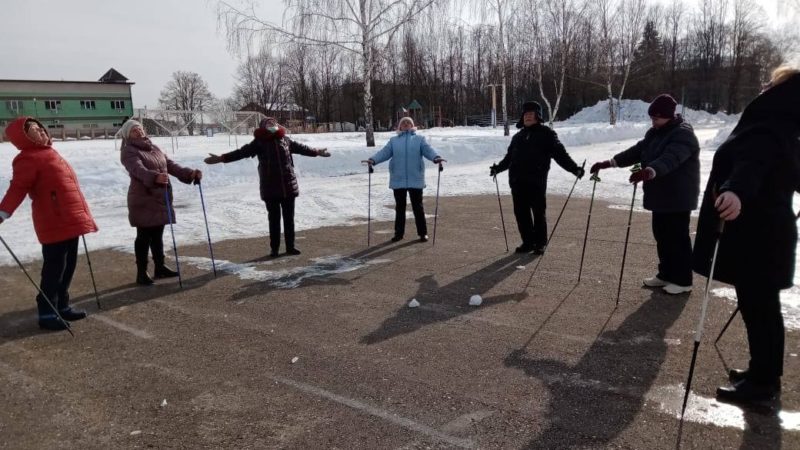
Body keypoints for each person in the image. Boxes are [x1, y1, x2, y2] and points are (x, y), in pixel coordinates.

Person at [693, 67, 800, 405]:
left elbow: (750, 165)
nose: (764, 87)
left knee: (759, 310)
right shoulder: (786, 130)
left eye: (771, 84)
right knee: (763, 310)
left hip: (757, 237)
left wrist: (735, 192)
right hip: (770, 235)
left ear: (781, 93)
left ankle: (762, 385)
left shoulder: (765, 129)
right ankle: (764, 374)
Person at [590, 94, 700, 294]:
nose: (653, 121)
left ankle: (683, 281)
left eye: (657, 118)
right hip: (660, 195)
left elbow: (671, 158)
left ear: (669, 116)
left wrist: (649, 171)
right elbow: (636, 151)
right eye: (652, 118)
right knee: (662, 236)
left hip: (677, 196)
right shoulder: (655, 133)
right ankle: (666, 274)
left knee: (677, 238)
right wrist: (610, 163)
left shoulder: (683, 134)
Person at [0, 117, 98, 330]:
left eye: (41, 127)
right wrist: (2, 212)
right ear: (23, 137)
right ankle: (46, 312)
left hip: (70, 218)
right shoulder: (26, 158)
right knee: (54, 268)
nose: (41, 131)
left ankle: (61, 305)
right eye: (34, 129)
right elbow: (17, 188)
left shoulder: (51, 153)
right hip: (53, 220)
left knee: (69, 264)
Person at [205, 117, 330, 256]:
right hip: (270, 187)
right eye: (269, 123)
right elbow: (241, 152)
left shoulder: (285, 140)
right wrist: (221, 158)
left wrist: (317, 152)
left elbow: (302, 148)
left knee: (289, 219)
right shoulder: (259, 142)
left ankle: (290, 247)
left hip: (288, 186)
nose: (272, 125)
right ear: (263, 127)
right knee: (274, 219)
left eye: (274, 123)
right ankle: (275, 249)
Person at [491, 101, 584, 254]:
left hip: (536, 181)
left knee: (538, 213)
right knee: (521, 214)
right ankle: (527, 242)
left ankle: (540, 243)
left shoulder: (547, 134)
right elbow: (509, 158)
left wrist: (574, 169)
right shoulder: (518, 137)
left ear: (537, 116)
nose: (527, 116)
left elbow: (560, 155)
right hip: (517, 181)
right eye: (525, 114)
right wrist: (497, 168)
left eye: (531, 113)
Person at [120, 120, 202, 285]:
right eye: (134, 130)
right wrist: (154, 177)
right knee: (144, 236)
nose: (139, 132)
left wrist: (190, 173)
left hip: (159, 197)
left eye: (140, 129)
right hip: (143, 198)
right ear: (128, 135)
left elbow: (170, 165)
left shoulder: (154, 148)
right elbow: (137, 169)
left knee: (157, 234)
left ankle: (160, 267)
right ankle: (141, 272)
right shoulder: (128, 151)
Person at [362, 117, 445, 242]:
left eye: (408, 123)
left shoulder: (419, 139)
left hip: (415, 178)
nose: (406, 124)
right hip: (398, 178)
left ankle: (422, 233)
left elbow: (428, 150)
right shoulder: (394, 141)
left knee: (418, 207)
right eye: (403, 123)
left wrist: (436, 157)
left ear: (412, 126)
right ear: (399, 127)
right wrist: (373, 160)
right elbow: (384, 153)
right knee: (400, 208)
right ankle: (398, 234)